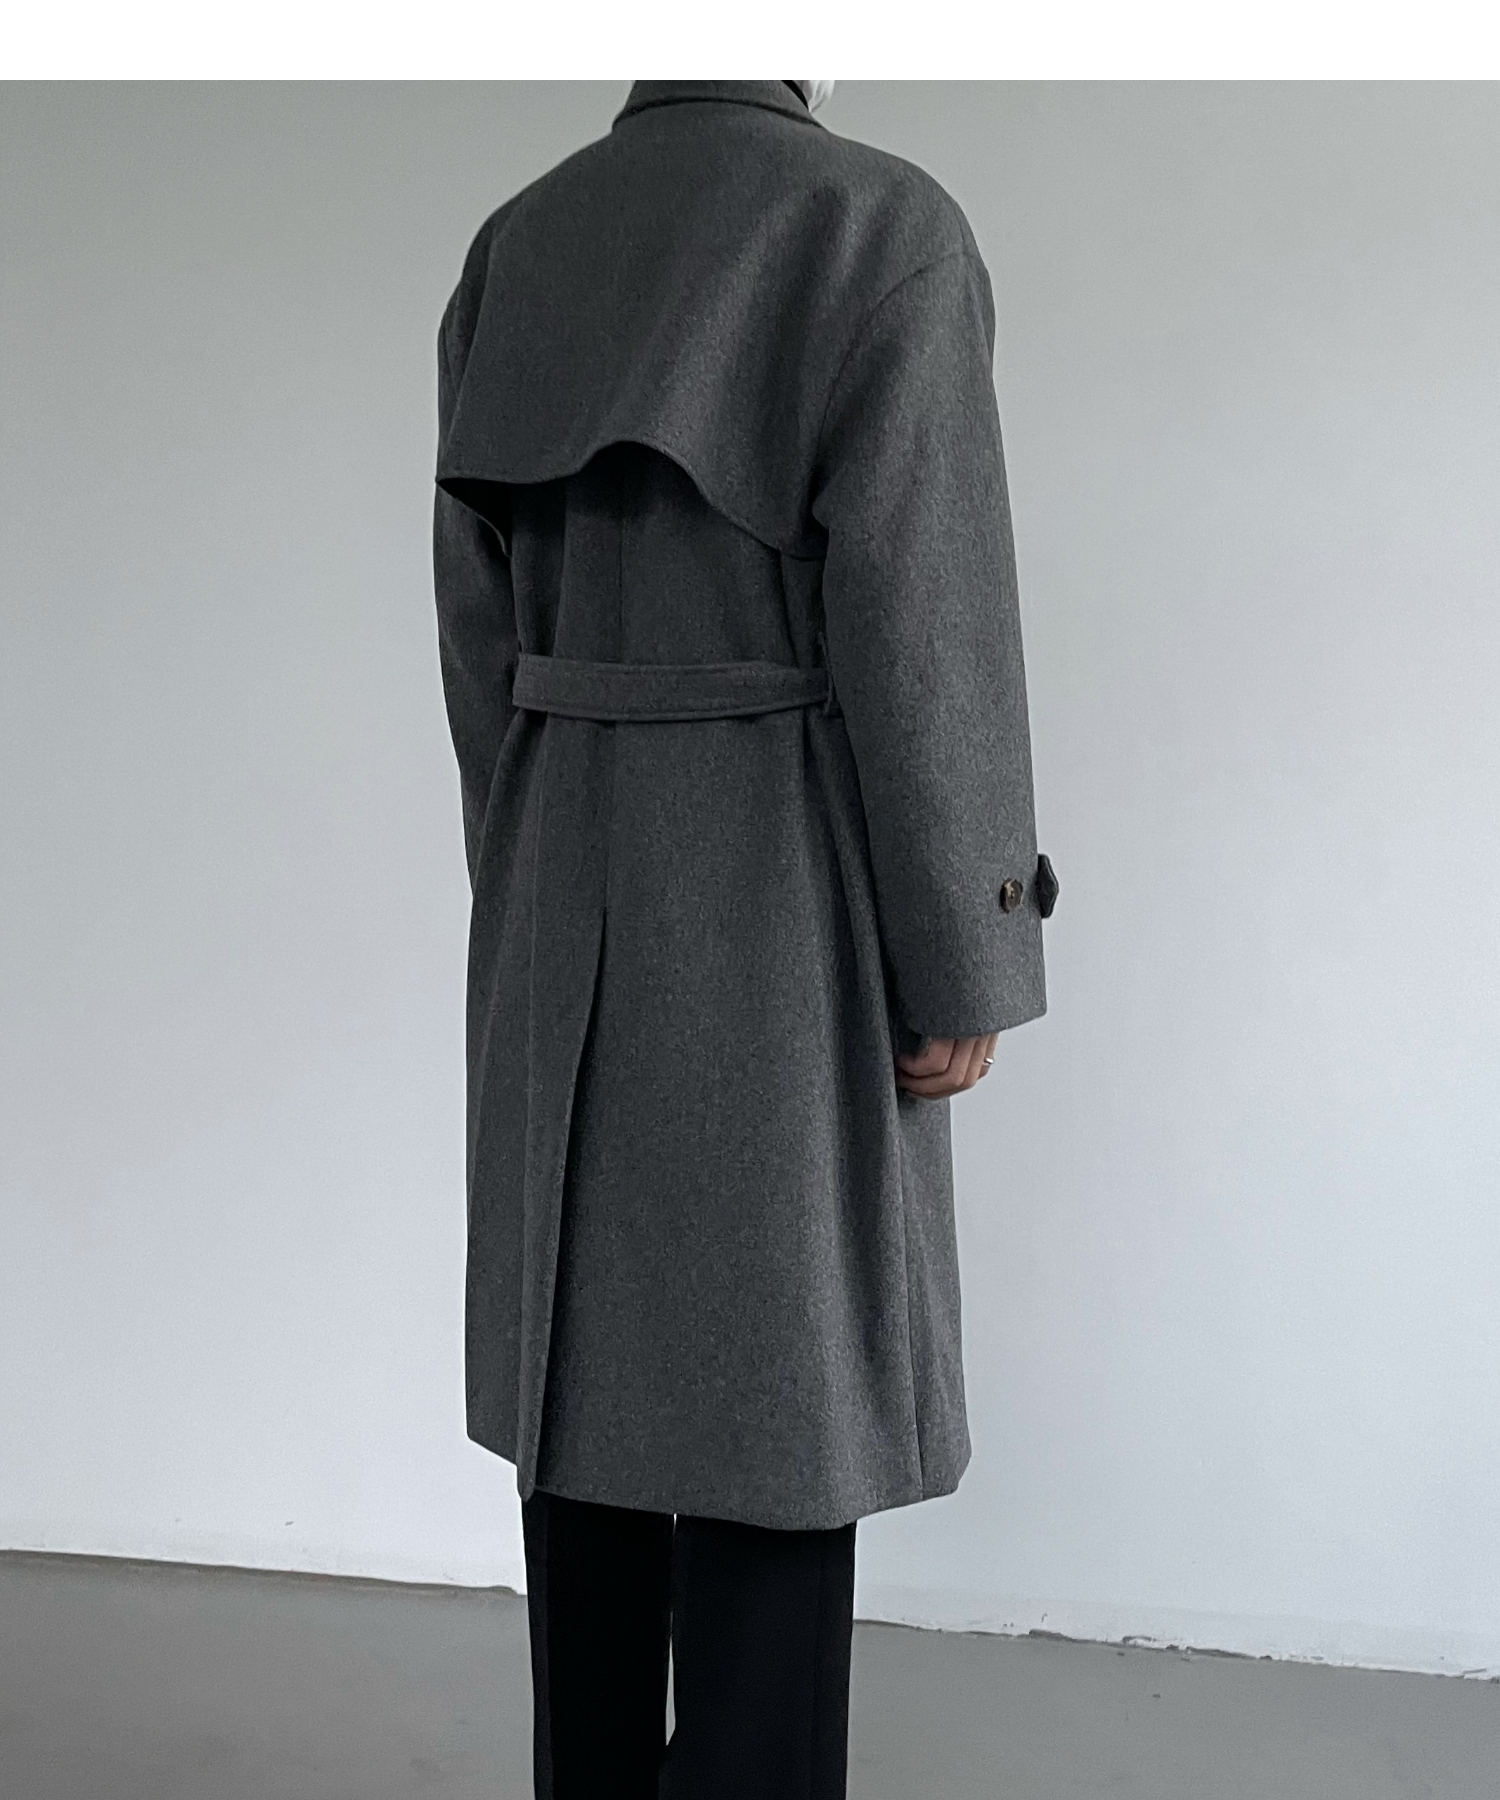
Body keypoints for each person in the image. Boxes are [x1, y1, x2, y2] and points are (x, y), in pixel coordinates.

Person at [432, 78, 1057, 1800]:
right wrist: (965, 948)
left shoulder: (521, 244)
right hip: (786, 889)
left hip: (564, 865)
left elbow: (476, 626)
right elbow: (927, 620)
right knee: (781, 1410)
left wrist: (529, 867)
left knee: (583, 1401)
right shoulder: (877, 230)